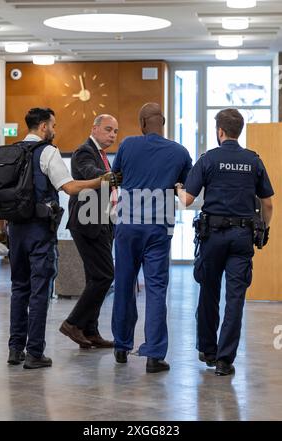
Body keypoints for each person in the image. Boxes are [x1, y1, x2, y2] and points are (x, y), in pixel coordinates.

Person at [7, 107, 118, 369]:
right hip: (38, 230)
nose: (55, 130)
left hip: (16, 229)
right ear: (44, 127)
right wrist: (104, 180)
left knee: (19, 288)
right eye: (53, 126)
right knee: (40, 291)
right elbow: (68, 187)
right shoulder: (47, 152)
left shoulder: (10, 152)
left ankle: (15, 350)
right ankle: (34, 352)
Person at [180, 108, 274, 376]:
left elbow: (187, 199)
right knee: (235, 298)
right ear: (238, 131)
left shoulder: (208, 159)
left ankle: (208, 350)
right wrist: (264, 230)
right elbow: (267, 202)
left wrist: (178, 189)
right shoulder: (253, 161)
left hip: (213, 237)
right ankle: (224, 360)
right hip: (242, 238)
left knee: (209, 292)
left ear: (219, 131)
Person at [111, 103, 192, 373]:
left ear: (143, 123)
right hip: (159, 227)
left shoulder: (127, 144)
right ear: (164, 122)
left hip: (127, 225)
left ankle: (121, 347)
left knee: (124, 284)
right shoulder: (180, 152)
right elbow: (186, 185)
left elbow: (117, 177)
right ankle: (154, 356)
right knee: (156, 290)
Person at [60, 114, 119, 349]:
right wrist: (114, 176)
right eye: (108, 130)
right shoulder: (84, 151)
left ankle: (90, 330)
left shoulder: (103, 155)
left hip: (101, 222)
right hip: (87, 223)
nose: (112, 135)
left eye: (115, 131)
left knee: (94, 278)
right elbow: (90, 173)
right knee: (105, 275)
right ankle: (72, 323)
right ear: (94, 129)